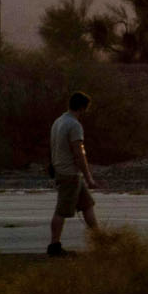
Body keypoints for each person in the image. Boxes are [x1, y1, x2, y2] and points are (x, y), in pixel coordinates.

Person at [46, 90, 100, 256]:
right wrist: (89, 177)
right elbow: (79, 153)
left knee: (87, 205)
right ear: (82, 107)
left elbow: (54, 146)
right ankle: (54, 246)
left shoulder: (58, 121)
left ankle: (99, 240)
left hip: (64, 170)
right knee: (61, 210)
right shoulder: (74, 125)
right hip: (69, 173)